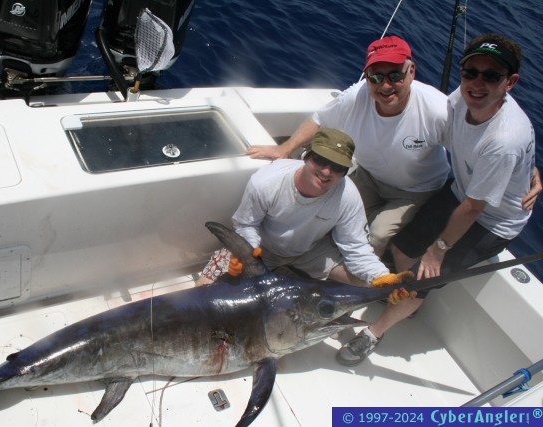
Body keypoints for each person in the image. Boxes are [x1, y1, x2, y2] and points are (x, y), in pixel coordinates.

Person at [336, 33, 537, 366]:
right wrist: (532, 170)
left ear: (510, 82)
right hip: (462, 193)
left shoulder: (505, 140)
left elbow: (475, 208)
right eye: (471, 71)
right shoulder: (461, 97)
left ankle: (375, 332)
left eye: (491, 76)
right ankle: (403, 293)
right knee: (400, 248)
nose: (477, 82)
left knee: (423, 276)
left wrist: (438, 250)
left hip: (493, 220)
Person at [248, 36, 451, 258]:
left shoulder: (438, 109)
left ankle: (362, 281)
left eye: (395, 75)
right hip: (370, 176)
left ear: (411, 72)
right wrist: (285, 149)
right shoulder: (357, 95)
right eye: (375, 77)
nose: (385, 85)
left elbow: (467, 149)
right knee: (326, 211)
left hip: (415, 190)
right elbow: (320, 120)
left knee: (376, 235)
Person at [195, 128, 410, 288]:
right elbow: (246, 224)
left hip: (310, 252)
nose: (327, 172)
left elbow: (355, 246)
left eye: (337, 167)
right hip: (263, 249)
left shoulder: (347, 195)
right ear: (306, 157)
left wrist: (383, 277)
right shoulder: (267, 182)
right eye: (321, 160)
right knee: (204, 287)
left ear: (345, 172)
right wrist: (250, 254)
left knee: (368, 283)